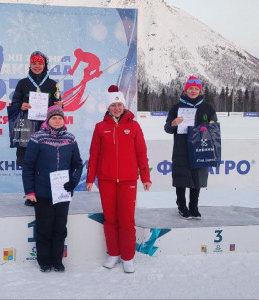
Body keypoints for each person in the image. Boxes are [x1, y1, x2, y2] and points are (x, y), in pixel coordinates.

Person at [86, 85, 151, 273]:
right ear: (108, 107)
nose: (116, 108)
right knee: (110, 219)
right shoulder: (100, 128)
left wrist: (145, 177)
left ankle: (128, 257)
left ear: (124, 105)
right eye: (113, 105)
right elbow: (94, 155)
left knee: (127, 220)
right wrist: (90, 179)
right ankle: (113, 254)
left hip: (128, 181)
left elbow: (141, 153)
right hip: (106, 180)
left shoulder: (134, 126)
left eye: (119, 104)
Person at [22, 105, 83, 272]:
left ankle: (57, 260)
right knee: (44, 227)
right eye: (54, 118)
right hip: (42, 192)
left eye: (60, 118)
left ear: (64, 120)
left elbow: (77, 164)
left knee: (60, 228)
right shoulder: (38, 138)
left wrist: (73, 181)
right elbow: (28, 166)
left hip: (63, 193)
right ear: (48, 120)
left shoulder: (70, 138)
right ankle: (44, 261)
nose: (57, 120)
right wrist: (30, 191)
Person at [11, 50, 62, 207]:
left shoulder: (53, 84)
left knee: (48, 161)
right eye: (34, 63)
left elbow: (59, 109)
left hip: (48, 130)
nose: (37, 66)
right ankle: (30, 195)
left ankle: (47, 193)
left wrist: (60, 105)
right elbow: (14, 105)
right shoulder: (22, 83)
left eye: (40, 63)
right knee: (29, 163)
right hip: (27, 129)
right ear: (30, 65)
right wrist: (21, 106)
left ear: (44, 65)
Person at [164, 76, 217, 220]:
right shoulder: (176, 107)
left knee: (197, 177)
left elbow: (214, 126)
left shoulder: (207, 107)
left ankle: (194, 206)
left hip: (200, 148)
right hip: (182, 149)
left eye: (196, 89)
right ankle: (181, 206)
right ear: (185, 89)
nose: (193, 91)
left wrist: (208, 127)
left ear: (200, 91)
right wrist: (173, 123)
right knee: (181, 177)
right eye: (190, 88)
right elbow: (167, 128)